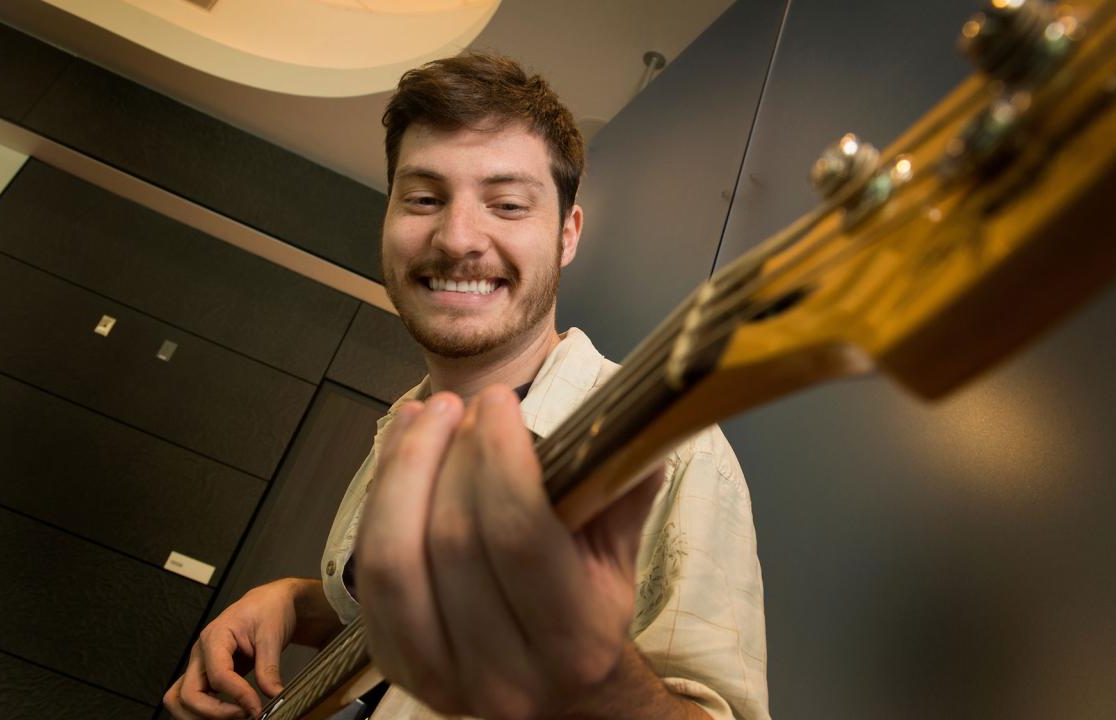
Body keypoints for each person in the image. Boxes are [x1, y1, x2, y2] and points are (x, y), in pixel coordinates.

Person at [163, 53, 768, 720]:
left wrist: (585, 671)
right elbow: (398, 646)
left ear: (567, 235)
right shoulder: (405, 423)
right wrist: (291, 603)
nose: (456, 238)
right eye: (423, 198)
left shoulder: (672, 449)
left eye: (507, 204)